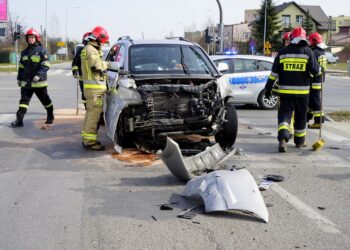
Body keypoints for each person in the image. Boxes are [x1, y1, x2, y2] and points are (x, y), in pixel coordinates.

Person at [264, 26, 321, 152]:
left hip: (285, 93)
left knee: (284, 115)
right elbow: (316, 71)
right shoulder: (308, 52)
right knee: (300, 117)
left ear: (291, 38)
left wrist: (268, 88)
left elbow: (274, 74)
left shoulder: (283, 52)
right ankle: (299, 142)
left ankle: (283, 139)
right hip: (302, 94)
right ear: (304, 38)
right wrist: (320, 69)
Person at [11, 28, 54, 128]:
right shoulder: (24, 52)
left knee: (46, 101)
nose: (30, 39)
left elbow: (46, 65)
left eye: (32, 37)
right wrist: (19, 78)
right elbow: (21, 67)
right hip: (26, 83)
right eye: (29, 38)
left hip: (39, 83)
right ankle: (19, 120)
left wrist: (38, 75)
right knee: (23, 103)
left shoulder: (42, 50)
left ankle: (50, 116)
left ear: (36, 38)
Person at [80, 26, 110, 151]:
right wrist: (107, 64)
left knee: (90, 113)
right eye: (102, 41)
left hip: (90, 88)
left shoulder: (87, 48)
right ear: (98, 38)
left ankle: (86, 138)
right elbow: (96, 66)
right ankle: (90, 142)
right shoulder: (91, 49)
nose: (102, 44)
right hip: (95, 89)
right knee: (94, 115)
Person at [307, 32, 327, 129]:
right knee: (312, 101)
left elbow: (312, 68)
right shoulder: (322, 52)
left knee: (315, 102)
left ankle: (319, 121)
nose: (309, 43)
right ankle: (306, 118)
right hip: (319, 80)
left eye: (310, 41)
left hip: (314, 80)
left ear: (314, 41)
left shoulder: (314, 53)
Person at [72, 32, 90, 109]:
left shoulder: (95, 51)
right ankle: (87, 109)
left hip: (94, 78)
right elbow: (75, 62)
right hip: (83, 78)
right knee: (84, 95)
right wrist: (75, 71)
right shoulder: (80, 51)